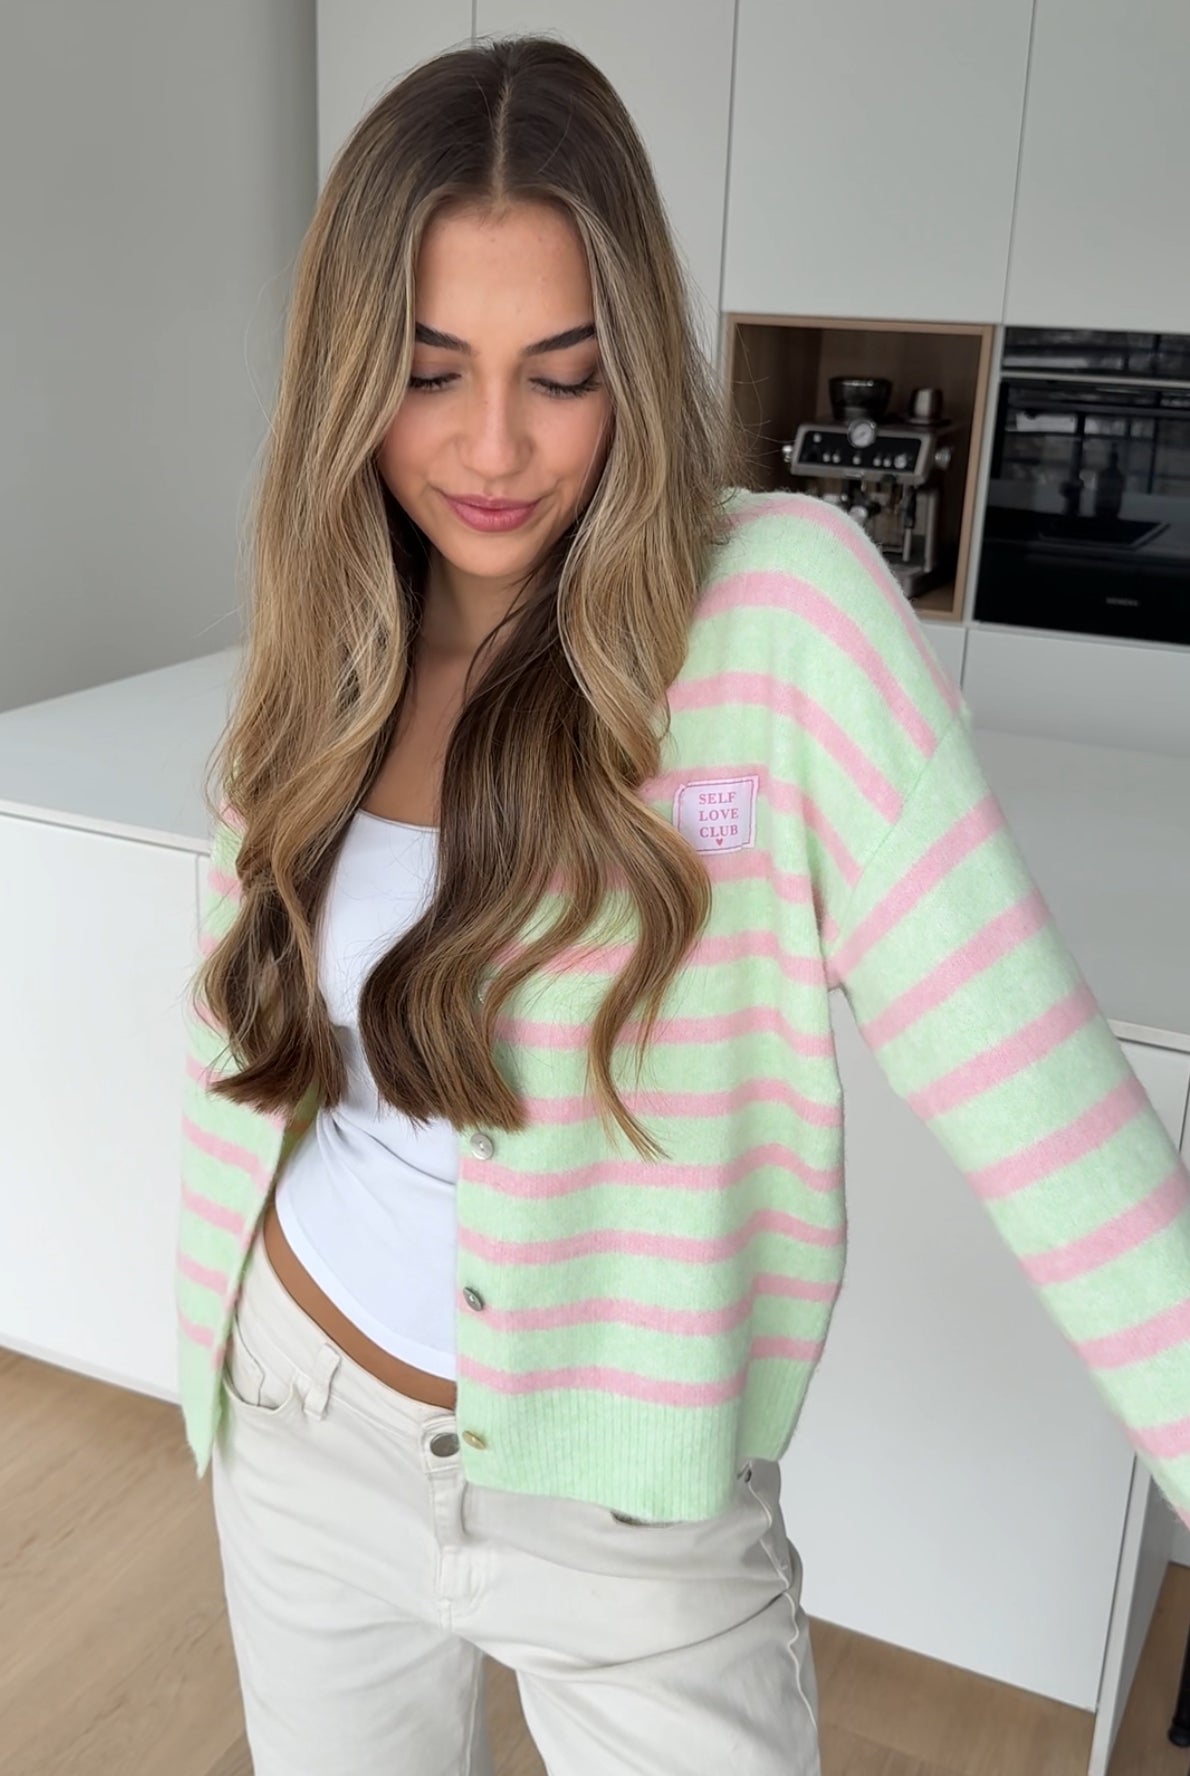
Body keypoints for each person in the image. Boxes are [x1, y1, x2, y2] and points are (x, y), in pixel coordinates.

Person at [176, 33, 1190, 1776]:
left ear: (633, 361)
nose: (494, 447)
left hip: (634, 1518)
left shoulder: (776, 616)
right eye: (428, 372)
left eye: (560, 375)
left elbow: (1046, 1115)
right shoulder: (330, 624)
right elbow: (255, 1032)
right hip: (298, 1419)